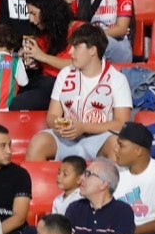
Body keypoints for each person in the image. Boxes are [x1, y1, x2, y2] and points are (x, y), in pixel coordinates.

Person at [26, 23, 131, 164]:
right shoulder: (65, 74)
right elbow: (52, 115)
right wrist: (59, 126)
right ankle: (37, 186)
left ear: (92, 50)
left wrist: (83, 127)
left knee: (115, 146)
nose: (70, 53)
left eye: (76, 47)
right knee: (37, 142)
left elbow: (121, 124)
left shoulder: (117, 79)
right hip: (66, 138)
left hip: (99, 138)